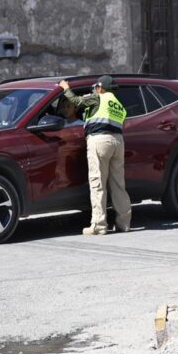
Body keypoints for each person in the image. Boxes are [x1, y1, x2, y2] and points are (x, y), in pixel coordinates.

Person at [58, 75, 131, 235]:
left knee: (97, 183)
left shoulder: (98, 97)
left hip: (99, 140)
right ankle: (124, 223)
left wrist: (65, 88)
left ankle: (99, 225)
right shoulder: (118, 105)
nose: (94, 90)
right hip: (118, 142)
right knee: (118, 184)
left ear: (100, 87)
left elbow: (77, 102)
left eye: (95, 88)